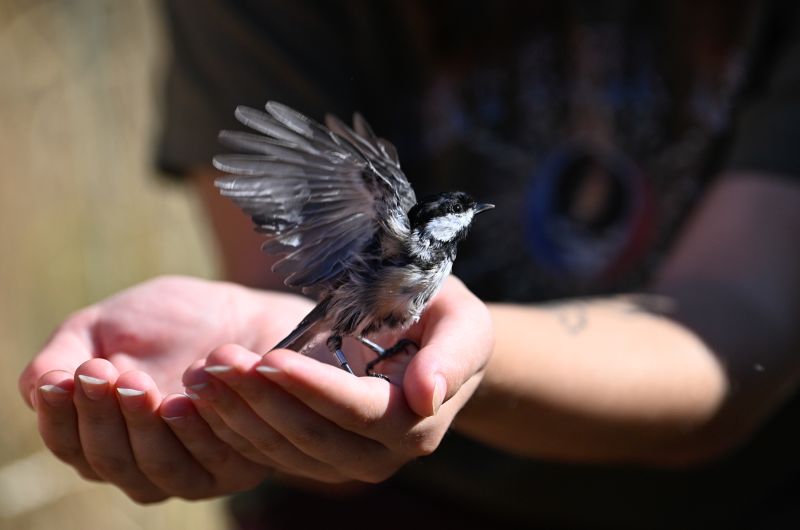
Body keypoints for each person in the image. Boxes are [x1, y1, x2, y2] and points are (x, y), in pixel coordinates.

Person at [19, 1, 800, 528]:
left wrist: (467, 356)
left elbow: (734, 329)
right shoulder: (395, 229)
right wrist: (277, 382)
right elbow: (289, 277)